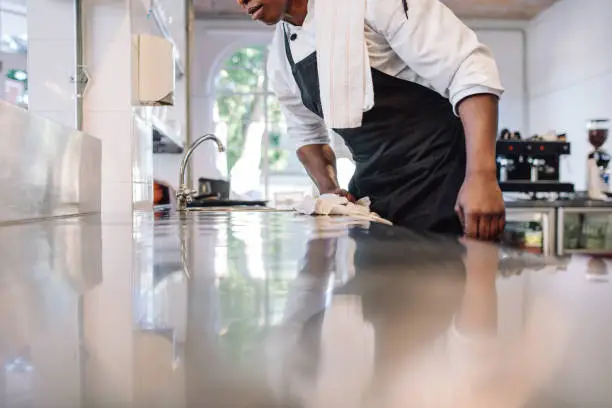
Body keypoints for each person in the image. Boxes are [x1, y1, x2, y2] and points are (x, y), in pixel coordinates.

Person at [237, 0, 506, 240]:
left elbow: (468, 69)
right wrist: (330, 190)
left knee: (447, 293)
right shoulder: (280, 56)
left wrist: (481, 176)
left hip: (443, 185)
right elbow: (306, 135)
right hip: (373, 200)